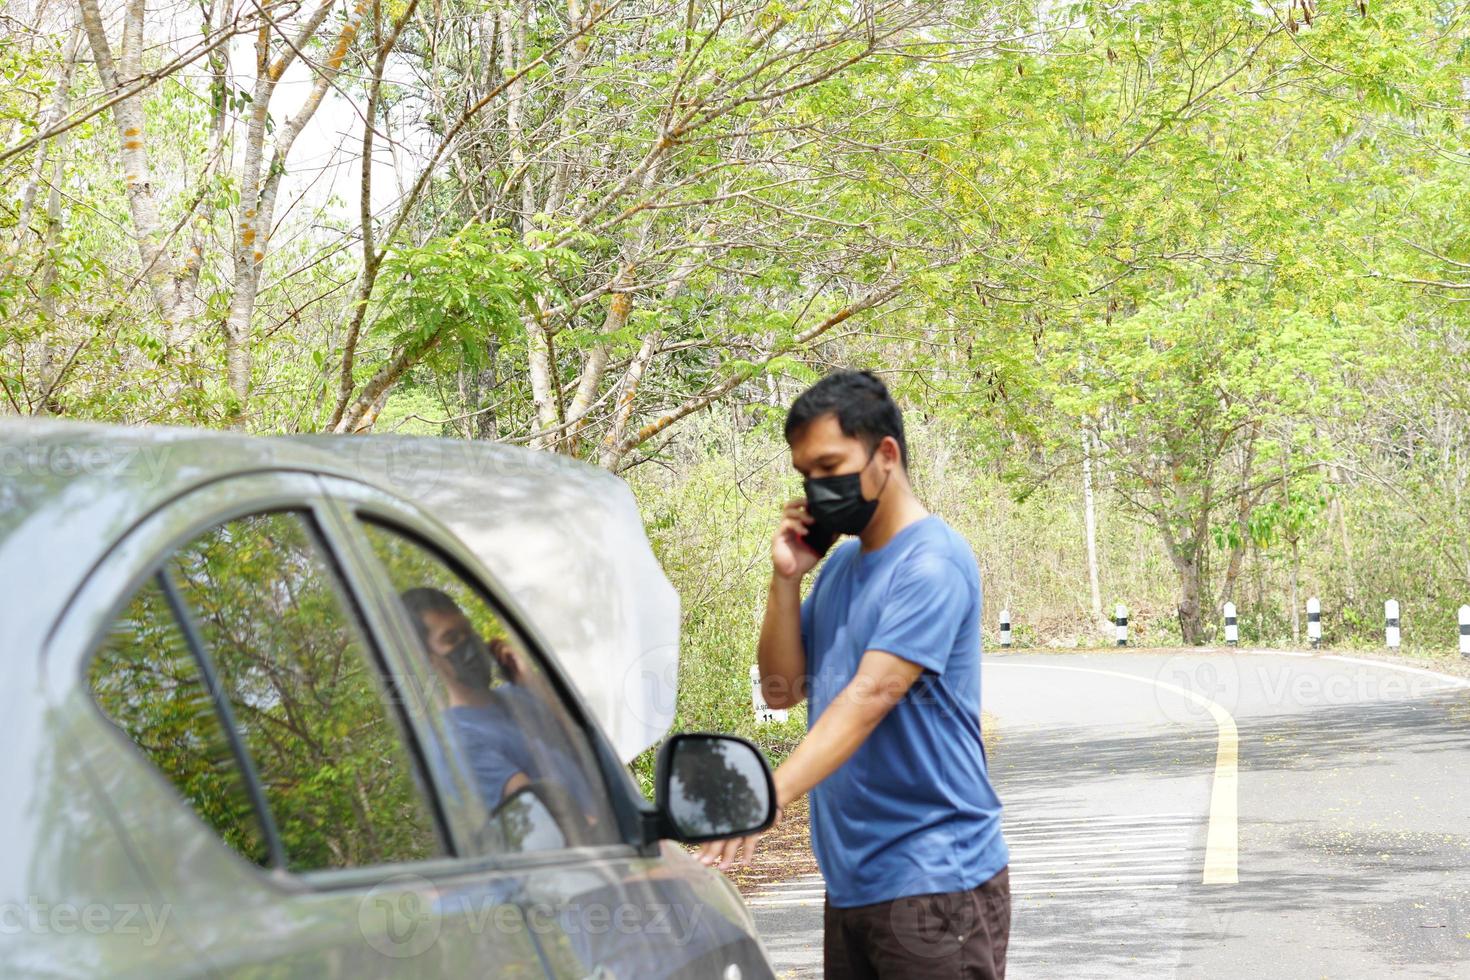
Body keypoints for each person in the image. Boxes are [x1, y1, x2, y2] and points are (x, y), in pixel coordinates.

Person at [699, 370, 1010, 979]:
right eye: (806, 475)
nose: (817, 488)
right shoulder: (840, 566)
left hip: (935, 882)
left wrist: (767, 797)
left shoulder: (932, 562)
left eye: (830, 466)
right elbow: (781, 691)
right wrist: (787, 578)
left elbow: (869, 697)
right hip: (852, 882)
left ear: (884, 454)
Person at [399, 587, 599, 821]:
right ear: (428, 660)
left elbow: (587, 745)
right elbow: (548, 818)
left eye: (468, 631)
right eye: (451, 639)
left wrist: (532, 684)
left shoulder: (518, 697)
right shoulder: (455, 743)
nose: (468, 644)